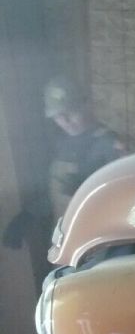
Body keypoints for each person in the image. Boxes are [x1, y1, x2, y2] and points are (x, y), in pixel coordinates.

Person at [2, 77, 127, 250]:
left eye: (71, 112)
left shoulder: (110, 144)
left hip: (97, 243)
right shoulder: (63, 144)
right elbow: (58, 192)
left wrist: (89, 192)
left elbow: (126, 200)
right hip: (65, 240)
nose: (66, 121)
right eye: (58, 117)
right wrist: (27, 216)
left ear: (87, 105)